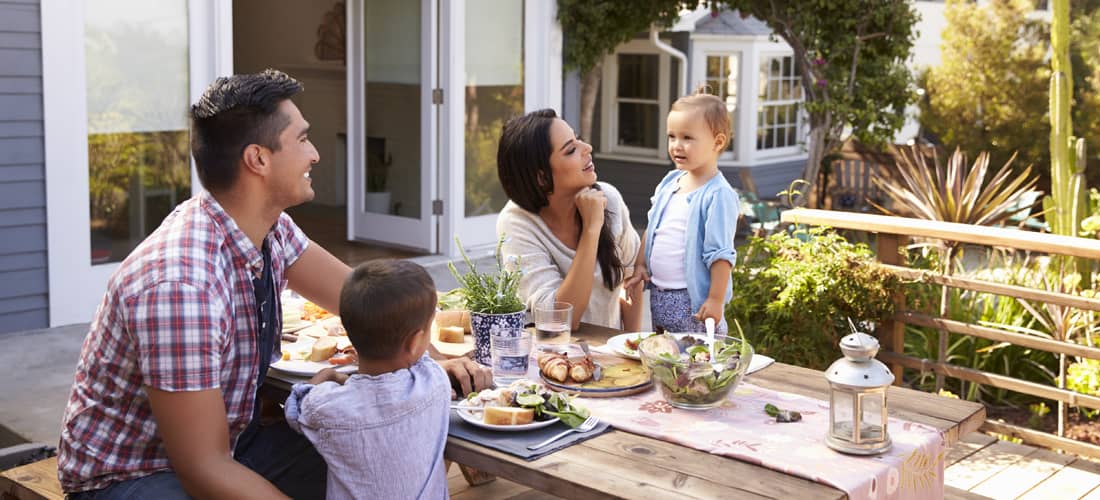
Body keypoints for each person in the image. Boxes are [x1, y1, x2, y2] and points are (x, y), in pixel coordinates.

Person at [57, 69, 491, 499]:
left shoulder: (269, 229)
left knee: (382, 452)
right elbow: (203, 469)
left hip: (232, 446)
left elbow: (361, 297)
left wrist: (425, 357)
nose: (316, 154)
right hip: (134, 476)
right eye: (302, 140)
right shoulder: (182, 286)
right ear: (258, 159)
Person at [285, 259, 450, 500]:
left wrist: (327, 376)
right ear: (416, 342)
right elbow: (426, 362)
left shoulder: (326, 407)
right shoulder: (434, 382)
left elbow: (296, 410)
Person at [495, 109, 642, 330]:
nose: (587, 149)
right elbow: (560, 319)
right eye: (571, 149)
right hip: (551, 357)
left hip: (611, 358)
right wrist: (592, 229)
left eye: (578, 140)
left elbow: (631, 282)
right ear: (542, 177)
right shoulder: (517, 222)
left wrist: (632, 347)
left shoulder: (609, 199)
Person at [626, 89, 740, 334]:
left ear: (717, 142)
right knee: (665, 360)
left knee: (696, 365)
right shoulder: (671, 181)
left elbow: (720, 255)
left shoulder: (718, 194)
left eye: (687, 137)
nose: (677, 145)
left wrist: (716, 300)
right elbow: (653, 225)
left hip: (693, 304)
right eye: (672, 136)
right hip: (660, 295)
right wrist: (641, 265)